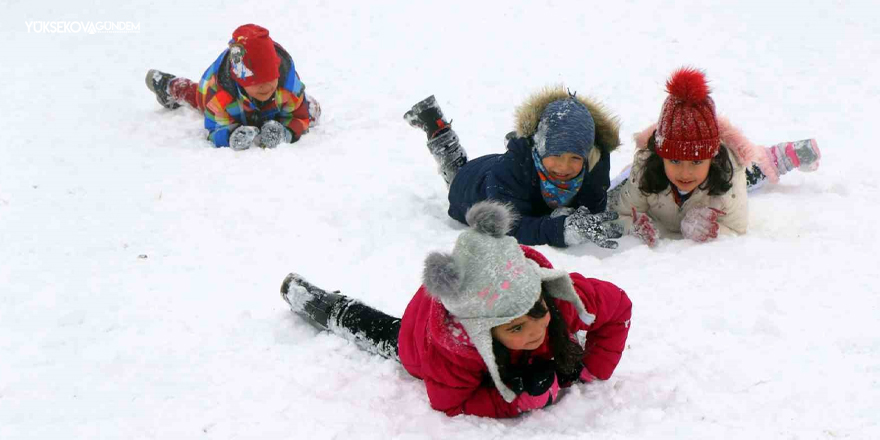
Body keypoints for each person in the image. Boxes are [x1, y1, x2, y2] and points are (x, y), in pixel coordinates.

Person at [280, 201, 632, 418]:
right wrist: (516, 401)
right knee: (383, 333)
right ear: (484, 332)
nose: (535, 331)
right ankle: (319, 304)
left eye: (536, 313)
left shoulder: (555, 296)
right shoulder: (453, 351)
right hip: (422, 336)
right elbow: (450, 403)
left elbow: (618, 308)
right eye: (514, 328)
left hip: (477, 290)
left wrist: (590, 369)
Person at [608, 67, 821, 246]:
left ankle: (778, 157)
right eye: (674, 160)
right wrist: (636, 227)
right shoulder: (645, 170)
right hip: (654, 174)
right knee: (623, 182)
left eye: (697, 161)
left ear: (712, 157)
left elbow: (737, 228)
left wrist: (712, 230)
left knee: (751, 171)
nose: (685, 172)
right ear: (661, 156)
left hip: (720, 178)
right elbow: (620, 215)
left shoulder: (728, 173)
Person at [403, 88, 624, 249]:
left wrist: (574, 217)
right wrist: (560, 229)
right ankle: (437, 129)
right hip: (472, 185)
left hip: (510, 173)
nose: (564, 167)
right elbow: (508, 227)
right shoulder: (510, 170)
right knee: (456, 172)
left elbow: (593, 207)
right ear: (539, 148)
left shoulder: (595, 164)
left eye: (575, 157)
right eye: (555, 155)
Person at [145, 24, 320, 150]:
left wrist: (286, 132)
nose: (265, 86)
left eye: (270, 78)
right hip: (220, 96)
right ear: (240, 81)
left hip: (273, 107)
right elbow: (213, 129)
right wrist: (230, 136)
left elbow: (300, 117)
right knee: (196, 97)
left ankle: (300, 106)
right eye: (255, 82)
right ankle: (169, 86)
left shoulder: (288, 88)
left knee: (310, 110)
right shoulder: (220, 96)